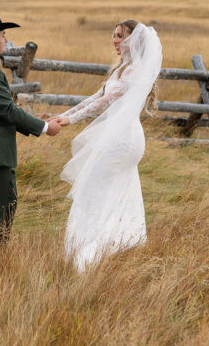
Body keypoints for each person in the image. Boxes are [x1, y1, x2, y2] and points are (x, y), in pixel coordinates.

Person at [55, 19, 162, 271]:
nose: (114, 40)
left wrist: (70, 120)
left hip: (124, 139)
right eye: (113, 35)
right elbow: (96, 97)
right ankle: (115, 245)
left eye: (119, 36)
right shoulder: (121, 68)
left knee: (93, 187)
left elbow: (106, 102)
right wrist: (63, 115)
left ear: (133, 40)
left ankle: (93, 250)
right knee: (114, 190)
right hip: (120, 136)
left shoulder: (135, 70)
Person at [0, 11, 61, 243]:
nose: (6, 39)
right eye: (3, 35)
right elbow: (7, 110)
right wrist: (44, 127)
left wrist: (35, 120)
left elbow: (0, 110)